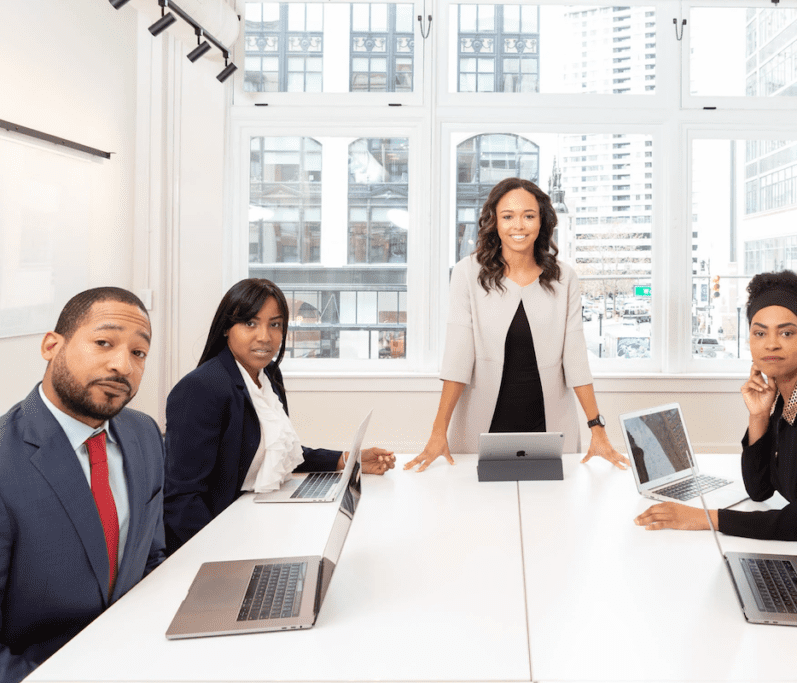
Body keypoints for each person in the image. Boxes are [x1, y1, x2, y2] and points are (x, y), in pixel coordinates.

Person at [0, 288, 165, 683]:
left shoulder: (144, 434)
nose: (122, 365)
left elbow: (152, 559)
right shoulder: (7, 457)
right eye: (103, 343)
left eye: (138, 353)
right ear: (51, 346)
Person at [405, 177, 627, 471]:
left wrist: (596, 428)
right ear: (494, 222)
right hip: (482, 426)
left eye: (528, 216)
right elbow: (457, 358)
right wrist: (438, 431)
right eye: (507, 217)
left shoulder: (564, 277)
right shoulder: (467, 273)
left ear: (542, 221)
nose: (518, 226)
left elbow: (575, 358)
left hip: (548, 425)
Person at [163, 279, 395, 553]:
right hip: (221, 534)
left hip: (256, 517)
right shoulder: (202, 388)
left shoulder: (269, 375)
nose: (265, 336)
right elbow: (182, 499)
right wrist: (216, 556)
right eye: (250, 323)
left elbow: (279, 452)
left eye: (274, 324)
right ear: (227, 327)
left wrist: (347, 459)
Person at [635, 271, 797, 540]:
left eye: (787, 332)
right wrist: (759, 416)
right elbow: (759, 489)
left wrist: (704, 518)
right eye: (760, 333)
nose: (772, 344)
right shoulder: (784, 397)